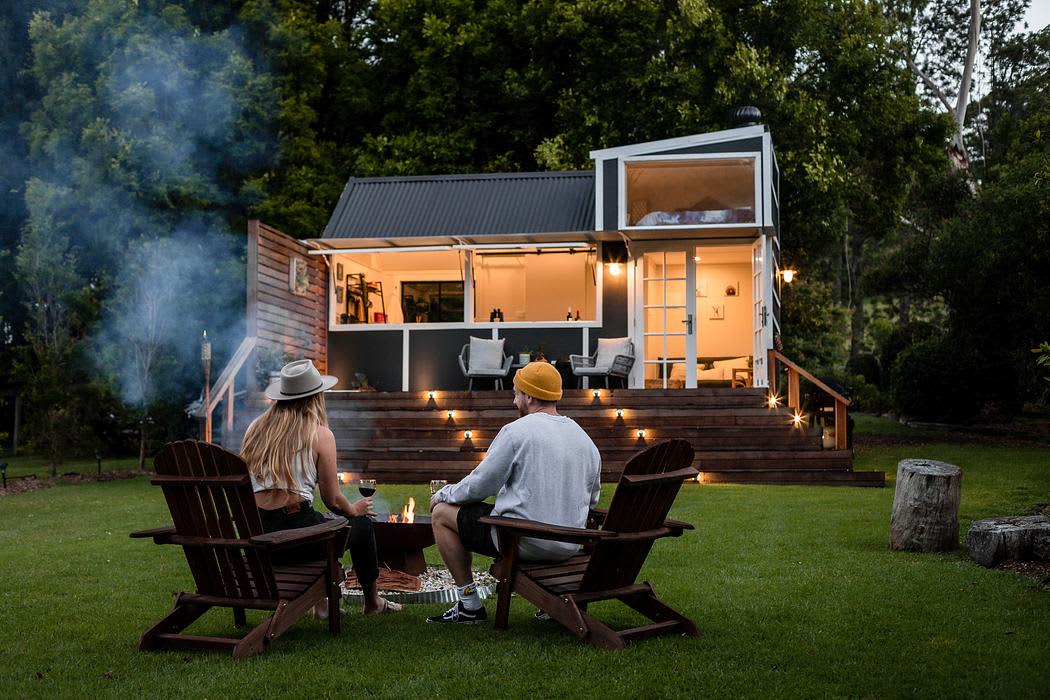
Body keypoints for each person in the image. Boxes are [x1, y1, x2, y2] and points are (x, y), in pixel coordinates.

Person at [427, 361, 601, 624]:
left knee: (441, 514)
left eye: (516, 393)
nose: (514, 401)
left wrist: (444, 494)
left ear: (529, 396)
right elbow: (593, 499)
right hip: (567, 543)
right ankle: (551, 601)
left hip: (524, 541)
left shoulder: (516, 432)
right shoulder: (585, 440)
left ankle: (469, 605)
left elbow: (480, 486)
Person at [241, 359, 401, 616]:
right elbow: (333, 500)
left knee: (316, 519)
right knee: (361, 525)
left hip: (258, 537)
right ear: (315, 397)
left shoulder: (256, 430)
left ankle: (322, 604)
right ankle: (373, 603)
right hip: (297, 542)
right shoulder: (319, 434)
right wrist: (355, 509)